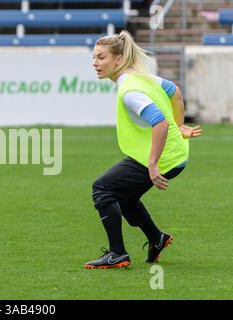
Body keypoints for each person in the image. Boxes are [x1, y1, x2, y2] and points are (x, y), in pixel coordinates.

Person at [84, 31, 201, 269]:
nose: (95, 63)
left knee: (103, 189)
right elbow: (175, 91)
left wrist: (153, 163)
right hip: (175, 154)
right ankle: (157, 238)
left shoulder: (130, 91)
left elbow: (159, 122)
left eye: (101, 57)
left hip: (165, 158)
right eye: (94, 57)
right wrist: (179, 127)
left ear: (117, 60)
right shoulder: (139, 77)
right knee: (124, 196)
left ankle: (117, 253)